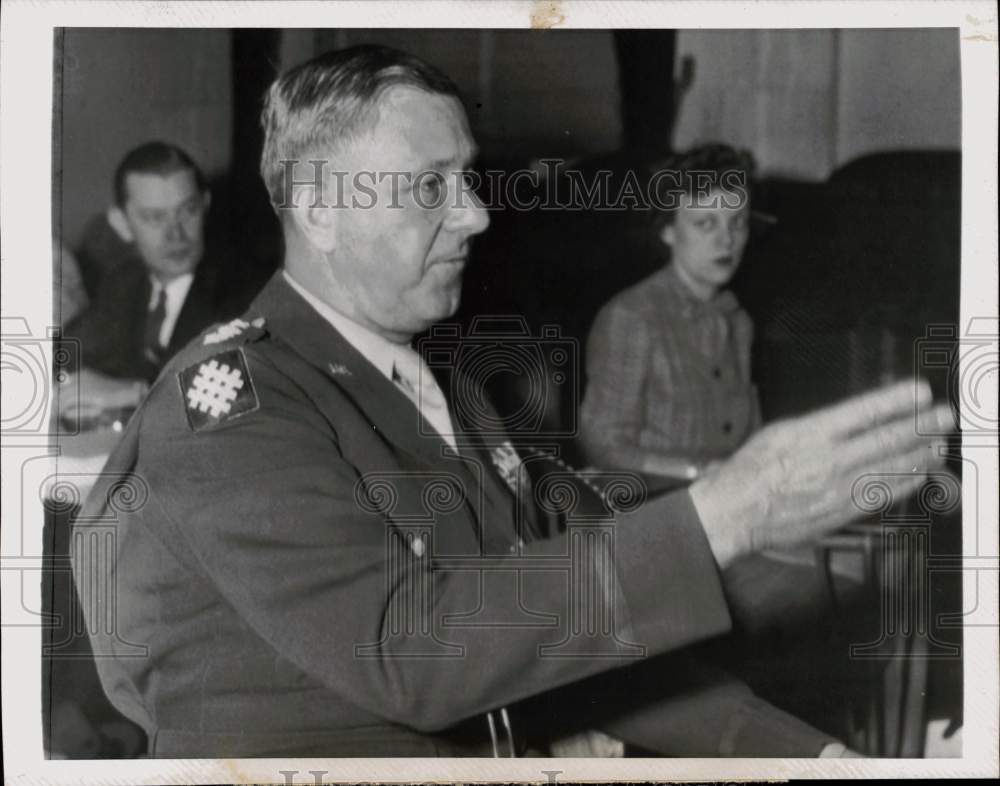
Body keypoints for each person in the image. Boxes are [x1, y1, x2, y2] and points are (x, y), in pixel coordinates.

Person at [72, 45, 953, 759]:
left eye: (468, 180)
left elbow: (557, 632)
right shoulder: (236, 409)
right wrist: (721, 514)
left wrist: (805, 755)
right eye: (432, 188)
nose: (476, 216)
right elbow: (406, 649)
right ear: (319, 208)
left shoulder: (441, 390)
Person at [579, 143, 760, 480]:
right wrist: (696, 472)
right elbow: (602, 444)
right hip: (654, 512)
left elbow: (745, 442)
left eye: (737, 223)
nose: (726, 241)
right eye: (706, 224)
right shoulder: (632, 317)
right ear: (668, 230)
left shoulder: (738, 321)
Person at [58, 142, 239, 423]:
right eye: (155, 218)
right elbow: (66, 350)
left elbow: (233, 398)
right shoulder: (126, 281)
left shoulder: (245, 288)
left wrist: (132, 393)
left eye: (188, 211)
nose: (176, 234)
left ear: (205, 206)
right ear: (122, 223)